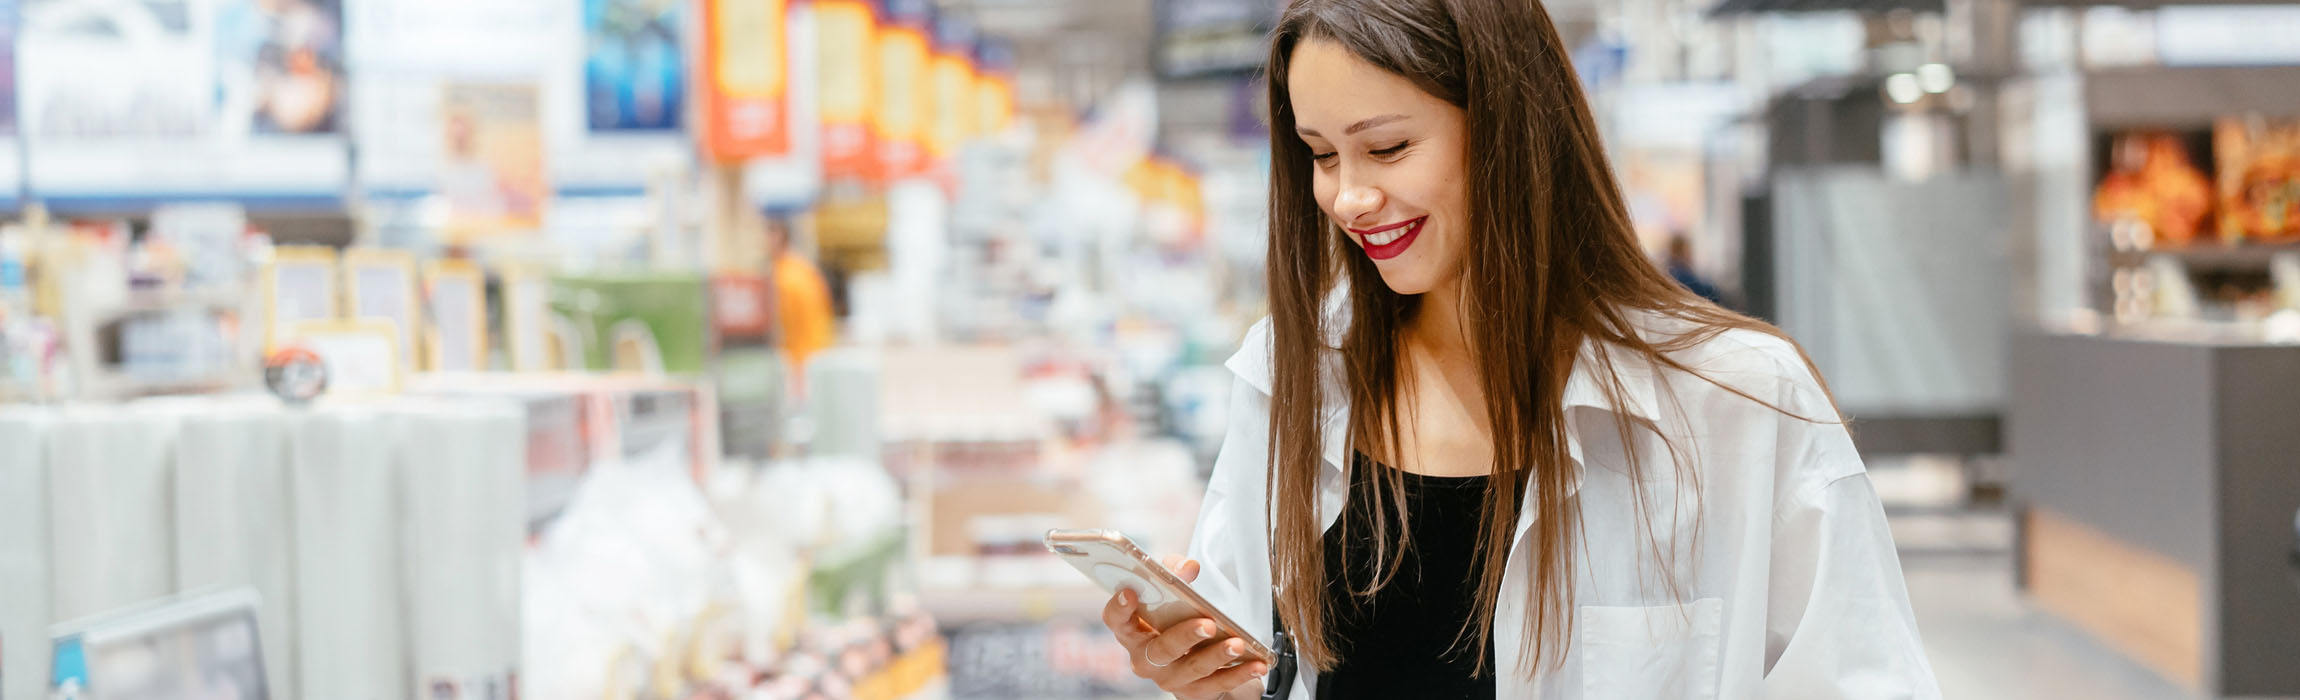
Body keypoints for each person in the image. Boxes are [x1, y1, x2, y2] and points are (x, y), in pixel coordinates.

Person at [1097, 1, 1940, 699]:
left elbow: (1863, 676)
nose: (1348, 195)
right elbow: (1259, 659)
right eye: (1321, 155)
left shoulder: (1736, 400)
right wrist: (1199, 668)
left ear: (1509, 127)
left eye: (1387, 147)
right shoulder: (1292, 373)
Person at [769, 217, 836, 381]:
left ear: (778, 237)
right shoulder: (804, 267)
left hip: (800, 359)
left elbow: (785, 323)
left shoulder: (784, 275)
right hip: (819, 351)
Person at [1664, 234, 1726, 305]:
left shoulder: (1670, 272)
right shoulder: (1682, 275)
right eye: (1688, 250)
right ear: (1682, 251)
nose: (1690, 254)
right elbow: (1711, 293)